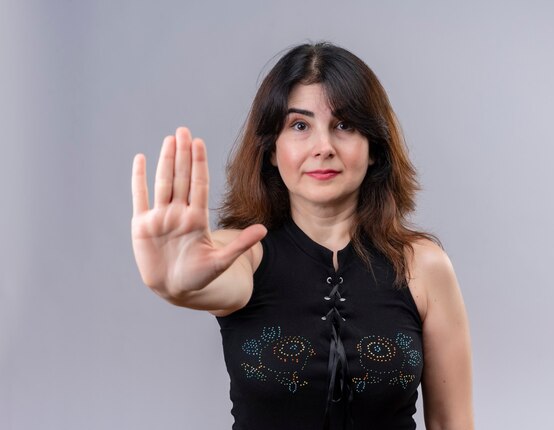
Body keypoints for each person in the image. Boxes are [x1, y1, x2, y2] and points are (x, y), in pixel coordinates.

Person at [131, 42, 473, 430]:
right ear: (272, 150)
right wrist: (172, 285)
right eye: (299, 126)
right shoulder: (241, 253)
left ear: (374, 148)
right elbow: (208, 280)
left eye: (344, 125)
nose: (323, 147)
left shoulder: (424, 266)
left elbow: (451, 423)